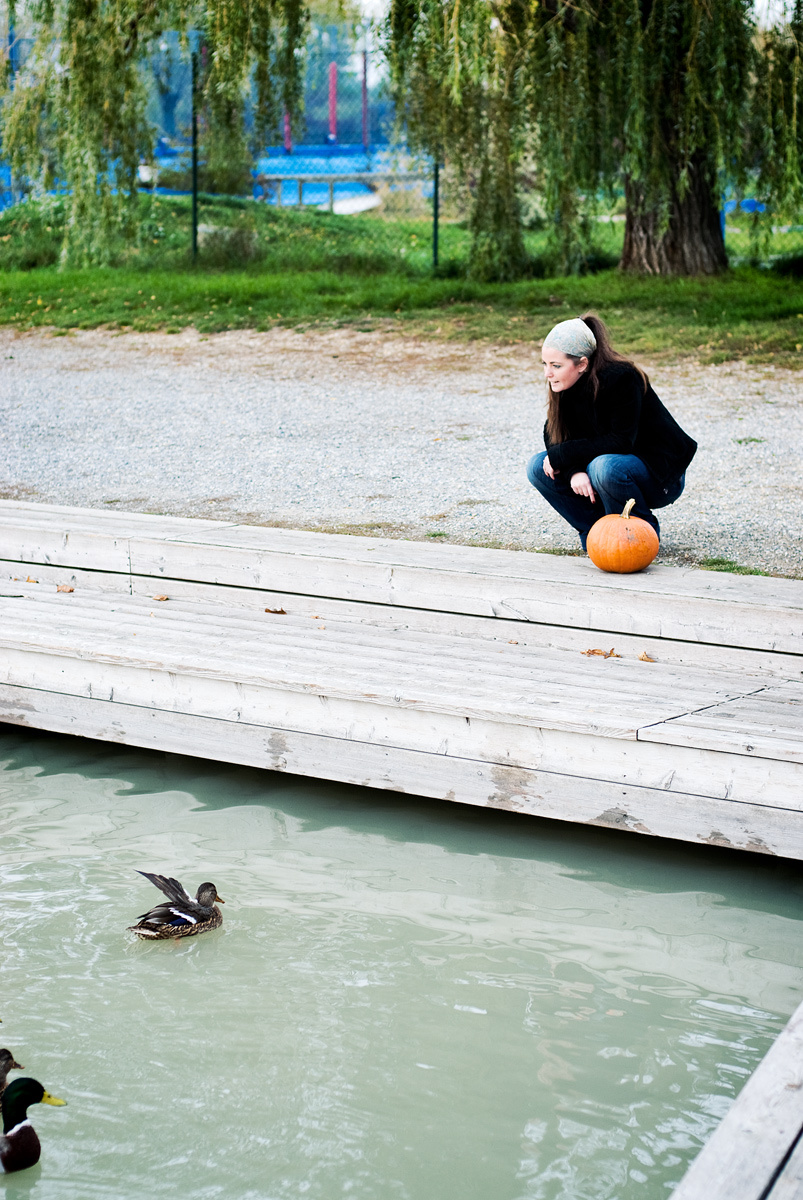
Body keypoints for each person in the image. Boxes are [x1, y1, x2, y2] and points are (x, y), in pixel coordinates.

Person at [526, 313, 697, 551]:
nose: (548, 373)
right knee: (537, 466)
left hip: (658, 474)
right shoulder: (565, 381)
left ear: (582, 364)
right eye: (545, 365)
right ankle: (597, 533)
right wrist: (573, 472)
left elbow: (622, 442)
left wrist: (564, 457)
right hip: (610, 467)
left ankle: (640, 536)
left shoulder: (622, 378)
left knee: (603, 467)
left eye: (556, 366)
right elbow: (552, 432)